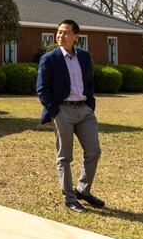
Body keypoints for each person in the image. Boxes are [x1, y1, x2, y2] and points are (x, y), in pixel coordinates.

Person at [36, 19, 104, 213]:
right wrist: (54, 111)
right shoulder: (49, 59)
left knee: (94, 151)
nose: (60, 36)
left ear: (76, 37)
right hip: (62, 111)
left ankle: (83, 190)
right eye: (59, 32)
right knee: (65, 156)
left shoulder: (84, 57)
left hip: (84, 110)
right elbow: (42, 89)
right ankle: (70, 198)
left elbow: (89, 82)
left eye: (66, 32)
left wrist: (90, 105)